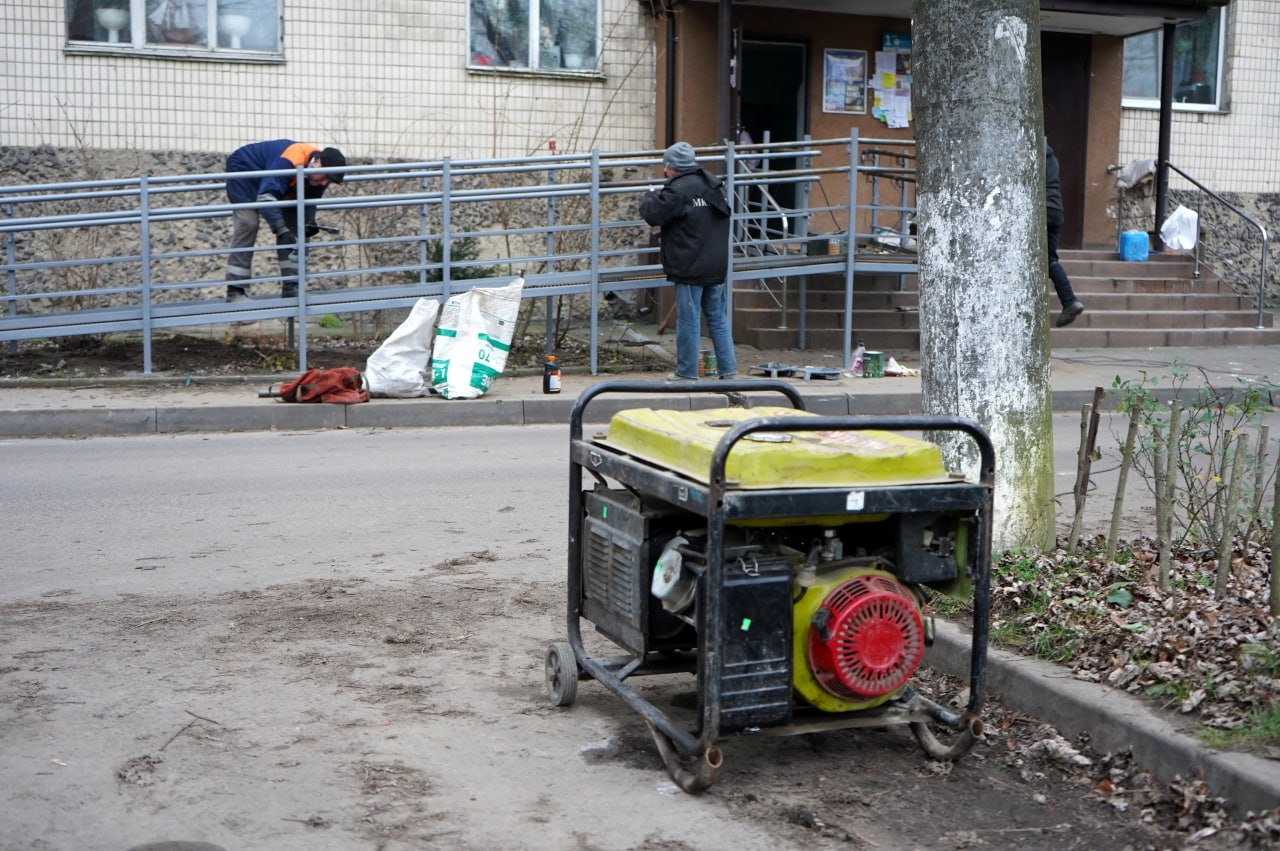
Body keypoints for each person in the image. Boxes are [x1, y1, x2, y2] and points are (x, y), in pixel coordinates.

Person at [639, 141, 737, 380]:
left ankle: (686, 373)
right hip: (715, 264)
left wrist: (649, 196)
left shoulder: (678, 190)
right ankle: (729, 370)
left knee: (689, 321)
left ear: (672, 166)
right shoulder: (713, 186)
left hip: (690, 265)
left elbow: (654, 214)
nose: (664, 169)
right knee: (717, 318)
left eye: (666, 165)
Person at [223, 140, 346, 302]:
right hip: (245, 171)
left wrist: (309, 221)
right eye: (326, 178)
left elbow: (308, 203)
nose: (325, 183)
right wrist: (280, 229)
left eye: (330, 181)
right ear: (316, 163)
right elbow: (266, 197)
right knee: (248, 223)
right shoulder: (290, 159)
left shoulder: (321, 174)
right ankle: (235, 290)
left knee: (299, 228)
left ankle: (292, 287)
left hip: (282, 182)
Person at [1046, 141, 1084, 327]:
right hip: (1056, 210)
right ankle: (1069, 301)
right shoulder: (1052, 158)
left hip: (1042, 210)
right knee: (1050, 260)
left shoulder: (1032, 156)